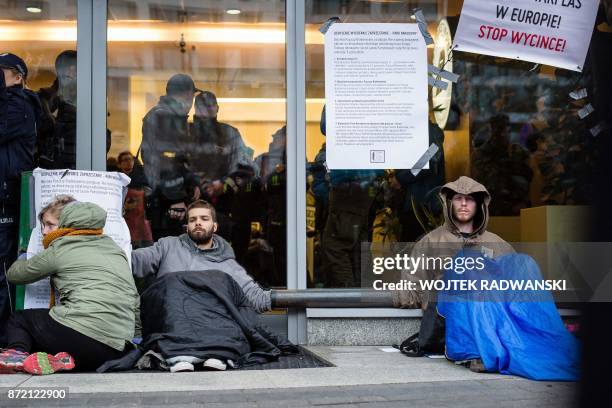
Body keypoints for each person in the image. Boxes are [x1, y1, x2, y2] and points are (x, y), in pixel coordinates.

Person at [0, 200, 139, 374]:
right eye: (43, 225)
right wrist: (137, 338)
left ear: (66, 223)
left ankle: (16, 357)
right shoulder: (114, 249)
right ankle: (65, 359)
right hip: (116, 349)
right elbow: (134, 299)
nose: (44, 231)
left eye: (50, 225)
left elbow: (14, 275)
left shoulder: (62, 246)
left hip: (83, 335)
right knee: (53, 331)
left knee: (20, 320)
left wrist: (23, 255)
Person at [394, 176, 515, 310]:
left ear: (479, 204)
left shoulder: (497, 243)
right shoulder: (431, 242)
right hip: (443, 323)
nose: (463, 203)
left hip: (487, 325)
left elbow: (516, 288)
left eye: (469, 199)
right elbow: (412, 289)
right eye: (458, 198)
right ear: (449, 203)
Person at [131, 200, 271, 313]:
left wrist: (289, 298)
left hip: (207, 336)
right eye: (192, 220)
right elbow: (134, 261)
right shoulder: (167, 246)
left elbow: (256, 297)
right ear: (187, 227)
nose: (198, 222)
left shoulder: (228, 265)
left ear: (215, 227)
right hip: (166, 330)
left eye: (204, 219)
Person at [0, 52, 41, 347]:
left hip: (5, 199)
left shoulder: (18, 103)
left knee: (2, 271)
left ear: (18, 76)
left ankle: (5, 338)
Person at [140, 73, 201, 192]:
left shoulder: (160, 114)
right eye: (192, 96)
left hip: (168, 187)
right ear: (187, 94)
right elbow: (171, 158)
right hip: (170, 191)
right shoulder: (167, 117)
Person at [189, 91, 256, 181]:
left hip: (222, 191)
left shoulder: (230, 132)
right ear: (195, 109)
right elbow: (177, 166)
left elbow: (242, 164)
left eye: (210, 105)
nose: (206, 109)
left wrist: (224, 184)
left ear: (217, 108)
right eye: (202, 106)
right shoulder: (185, 131)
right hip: (191, 190)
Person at [37, 50, 77, 169]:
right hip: (53, 168)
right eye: (73, 69)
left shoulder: (90, 101)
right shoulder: (44, 99)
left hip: (81, 165)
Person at [117, 151, 153, 249]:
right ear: (119, 164)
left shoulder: (141, 178)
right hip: (124, 224)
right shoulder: (116, 180)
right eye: (125, 160)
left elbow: (148, 194)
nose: (129, 162)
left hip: (141, 224)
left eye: (131, 159)